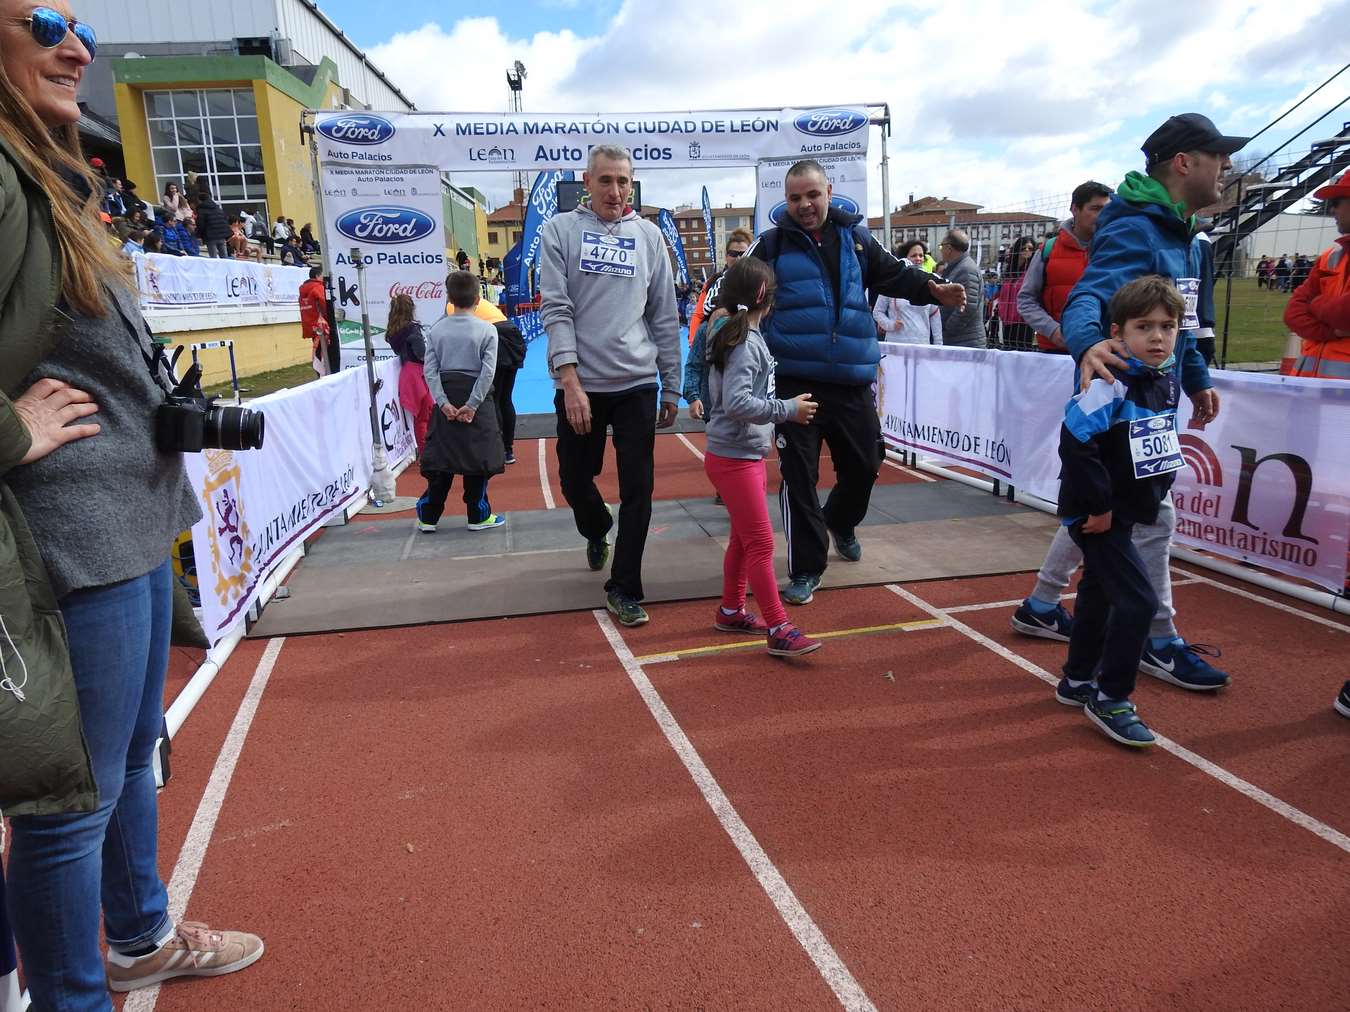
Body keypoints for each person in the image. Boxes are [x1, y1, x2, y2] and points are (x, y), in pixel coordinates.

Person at [0, 5, 264, 1006]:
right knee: (74, 799)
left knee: (134, 754)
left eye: (83, 24)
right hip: (76, 524)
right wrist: (11, 427)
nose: (78, 47)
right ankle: (74, 994)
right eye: (44, 20)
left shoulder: (53, 175)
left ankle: (139, 932)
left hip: (132, 512)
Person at [1014, 112, 1245, 692]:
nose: (1228, 167)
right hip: (1119, 399)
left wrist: (1196, 378)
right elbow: (1091, 295)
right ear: (1184, 162)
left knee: (1114, 519)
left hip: (1158, 403)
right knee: (1143, 517)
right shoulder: (1134, 227)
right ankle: (1158, 642)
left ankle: (1045, 606)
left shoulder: (1188, 236)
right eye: (1219, 156)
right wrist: (1091, 343)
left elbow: (1185, 325)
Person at [748, 160, 966, 605]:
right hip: (794, 382)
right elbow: (736, 291)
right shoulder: (769, 245)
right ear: (785, 202)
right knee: (798, 478)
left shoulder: (859, 241)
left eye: (812, 195)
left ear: (828, 191)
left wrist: (933, 288)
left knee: (867, 462)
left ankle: (841, 520)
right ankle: (807, 568)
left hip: (851, 379)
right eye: (795, 198)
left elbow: (898, 274)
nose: (805, 205)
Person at [539, 144, 681, 627]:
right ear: (587, 182)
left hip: (637, 383)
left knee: (639, 490)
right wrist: (570, 379)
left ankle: (624, 587)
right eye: (606, 181)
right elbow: (556, 309)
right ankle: (597, 527)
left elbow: (664, 313)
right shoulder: (559, 231)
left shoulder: (649, 236)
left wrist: (673, 383)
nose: (616, 191)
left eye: (624, 182)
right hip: (581, 383)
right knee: (575, 478)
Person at [1054, 276, 1185, 747]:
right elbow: (1075, 439)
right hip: (1098, 512)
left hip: (1127, 509)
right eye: (1143, 327)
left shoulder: (1164, 381)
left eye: (1167, 327)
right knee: (1139, 602)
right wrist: (1100, 506)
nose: (1156, 337)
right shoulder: (1112, 382)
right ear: (1117, 332)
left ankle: (1078, 678)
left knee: (1099, 593)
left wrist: (1150, 495)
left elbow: (1157, 445)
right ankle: (1112, 696)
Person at [701, 255, 822, 656]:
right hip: (734, 457)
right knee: (761, 542)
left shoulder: (738, 336)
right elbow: (737, 402)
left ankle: (731, 609)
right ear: (766, 301)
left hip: (741, 454)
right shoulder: (744, 343)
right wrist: (787, 409)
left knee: (742, 538)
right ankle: (778, 626)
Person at [415, 270, 506, 532]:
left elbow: (429, 371)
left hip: (447, 397)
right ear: (479, 299)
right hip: (475, 398)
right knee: (478, 458)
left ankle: (428, 517)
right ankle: (478, 515)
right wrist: (473, 404)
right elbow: (488, 372)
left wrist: (443, 403)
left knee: (441, 458)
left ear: (449, 299)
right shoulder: (488, 330)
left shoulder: (436, 330)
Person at [1018, 181, 1114, 353]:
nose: (1103, 215)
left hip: (1107, 349)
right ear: (1075, 209)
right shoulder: (1047, 251)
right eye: (1096, 208)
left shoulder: (1118, 250)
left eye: (1107, 209)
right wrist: (1053, 330)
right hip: (1057, 352)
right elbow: (1026, 299)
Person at [385, 292, 433, 453]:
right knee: (425, 415)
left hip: (408, 372)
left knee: (422, 415)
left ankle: (426, 450)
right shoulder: (412, 329)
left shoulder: (394, 331)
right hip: (417, 373)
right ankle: (427, 452)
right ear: (410, 308)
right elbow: (421, 354)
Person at [873, 240, 943, 344]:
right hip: (896, 343)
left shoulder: (930, 283)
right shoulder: (892, 282)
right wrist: (890, 325)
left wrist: (939, 345)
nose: (918, 259)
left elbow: (935, 318)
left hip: (922, 344)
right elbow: (877, 312)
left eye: (921, 255)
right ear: (905, 258)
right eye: (914, 255)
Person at [934, 229, 985, 348]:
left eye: (941, 246)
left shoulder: (966, 270)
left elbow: (967, 307)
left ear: (949, 248)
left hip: (965, 341)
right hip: (962, 339)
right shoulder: (958, 267)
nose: (940, 250)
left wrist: (947, 328)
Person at [994, 236, 1036, 351]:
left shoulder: (1032, 270)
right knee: (1009, 353)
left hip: (1024, 321)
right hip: (1007, 320)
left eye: (1030, 248)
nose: (1027, 251)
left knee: (1023, 354)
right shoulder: (1010, 271)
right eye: (1023, 248)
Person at [298, 266, 331, 378]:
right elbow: (325, 306)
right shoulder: (318, 288)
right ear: (317, 276)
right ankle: (325, 375)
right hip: (323, 325)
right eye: (323, 276)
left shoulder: (303, 290)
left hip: (311, 325)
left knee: (317, 351)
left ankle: (320, 374)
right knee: (326, 352)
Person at [194, 191, 229, 259]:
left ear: (200, 200)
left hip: (210, 236)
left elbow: (201, 224)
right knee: (224, 257)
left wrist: (198, 235)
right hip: (221, 234)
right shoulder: (217, 208)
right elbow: (224, 220)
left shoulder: (201, 209)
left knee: (213, 257)